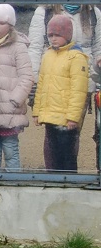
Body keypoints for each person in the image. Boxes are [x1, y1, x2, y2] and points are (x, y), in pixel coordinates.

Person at [33, 15, 90, 172]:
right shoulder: (48, 55)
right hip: (51, 116)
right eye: (50, 35)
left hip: (66, 118)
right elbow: (42, 85)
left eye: (58, 35)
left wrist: (73, 116)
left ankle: (69, 183)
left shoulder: (76, 57)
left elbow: (79, 91)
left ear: (67, 35)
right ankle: (54, 182)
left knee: (67, 156)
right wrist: (37, 112)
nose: (53, 39)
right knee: (52, 155)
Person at [0, 4, 34, 171]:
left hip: (11, 109)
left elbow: (26, 76)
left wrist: (15, 100)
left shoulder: (18, 47)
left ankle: (14, 181)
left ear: (11, 25)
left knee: (11, 149)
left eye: (2, 23)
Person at [27, 0, 101, 83]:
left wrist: (96, 81)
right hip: (52, 77)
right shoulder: (45, 10)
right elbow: (35, 47)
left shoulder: (93, 13)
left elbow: (98, 48)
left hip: (83, 77)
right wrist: (33, 81)